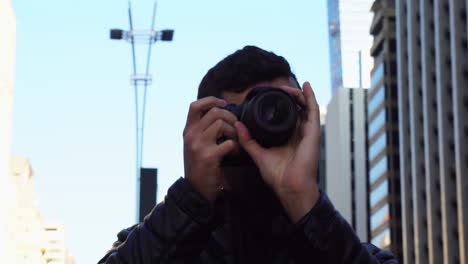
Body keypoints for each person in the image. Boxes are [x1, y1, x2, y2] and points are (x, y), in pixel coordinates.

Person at [98, 46, 398, 263]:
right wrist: (192, 198)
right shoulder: (158, 241)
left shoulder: (355, 254)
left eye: (282, 112)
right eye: (248, 115)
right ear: (211, 129)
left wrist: (305, 202)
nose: (266, 125)